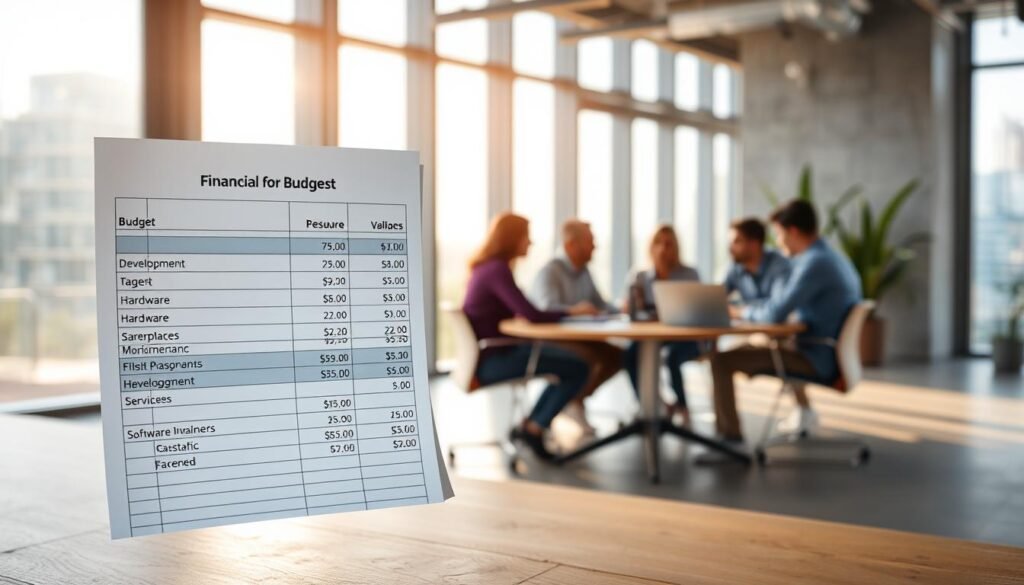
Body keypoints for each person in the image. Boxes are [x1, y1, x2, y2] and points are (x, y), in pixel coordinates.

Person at [708, 200, 861, 447]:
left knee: (721, 360)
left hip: (816, 357)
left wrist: (741, 311)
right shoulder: (830, 257)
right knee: (743, 352)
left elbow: (774, 314)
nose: (777, 243)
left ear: (793, 232)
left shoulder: (813, 263)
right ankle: (797, 412)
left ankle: (729, 441)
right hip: (827, 352)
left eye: (778, 235)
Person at [462, 212, 598, 461]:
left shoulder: (487, 268)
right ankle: (534, 428)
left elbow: (517, 310)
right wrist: (572, 311)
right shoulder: (497, 270)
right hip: (492, 361)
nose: (530, 243)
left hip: (489, 355)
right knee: (578, 366)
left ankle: (533, 425)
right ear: (512, 239)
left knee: (571, 362)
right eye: (526, 237)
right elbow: (531, 313)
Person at [529, 219, 624, 436]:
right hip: (552, 341)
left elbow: (599, 305)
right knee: (587, 360)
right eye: (590, 242)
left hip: (581, 339)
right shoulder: (550, 271)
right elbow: (545, 309)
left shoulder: (584, 272)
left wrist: (620, 308)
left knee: (618, 356)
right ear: (571, 245)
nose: (594, 247)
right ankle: (559, 408)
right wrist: (575, 310)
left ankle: (574, 401)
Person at [622, 225, 703, 426]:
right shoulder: (639, 277)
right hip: (652, 336)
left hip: (684, 337)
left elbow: (698, 309)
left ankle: (682, 406)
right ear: (650, 247)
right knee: (630, 355)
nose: (663, 249)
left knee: (672, 356)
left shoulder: (689, 274)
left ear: (676, 247)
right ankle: (649, 405)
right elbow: (627, 308)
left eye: (669, 244)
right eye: (658, 243)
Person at [723, 218, 791, 306]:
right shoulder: (735, 266)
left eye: (737, 241)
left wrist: (740, 307)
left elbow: (777, 305)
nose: (730, 248)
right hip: (750, 319)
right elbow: (719, 298)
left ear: (754, 244)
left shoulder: (779, 264)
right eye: (730, 242)